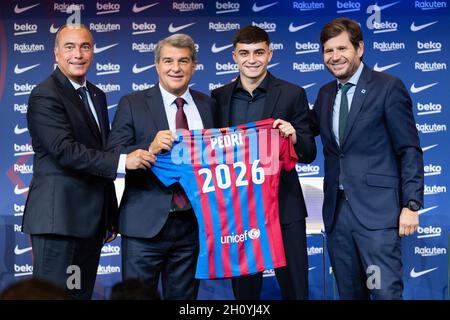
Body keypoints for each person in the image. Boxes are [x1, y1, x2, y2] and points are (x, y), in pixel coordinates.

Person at [22, 24, 154, 300]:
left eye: (85, 47)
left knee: (78, 295)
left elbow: (98, 152)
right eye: (69, 47)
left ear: (93, 52)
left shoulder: (96, 94)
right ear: (56, 53)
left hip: (91, 222)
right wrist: (123, 161)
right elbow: (65, 151)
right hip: (59, 220)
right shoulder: (45, 94)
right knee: (53, 296)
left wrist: (109, 214)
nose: (78, 54)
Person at [309, 17, 424, 299]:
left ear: (359, 49)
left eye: (341, 49)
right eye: (328, 51)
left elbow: (409, 149)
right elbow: (308, 132)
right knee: (350, 295)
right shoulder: (325, 94)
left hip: (377, 216)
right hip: (337, 217)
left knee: (383, 293)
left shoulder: (387, 87)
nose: (334, 57)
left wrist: (411, 204)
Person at [107, 34, 215, 300]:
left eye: (183, 61)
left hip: (193, 226)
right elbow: (113, 154)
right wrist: (149, 147)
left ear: (194, 65)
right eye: (168, 61)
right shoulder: (132, 103)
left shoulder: (209, 105)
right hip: (144, 228)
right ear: (157, 66)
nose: (175, 68)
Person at [211, 26, 317, 300]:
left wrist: (294, 137)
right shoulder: (218, 98)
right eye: (244, 53)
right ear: (234, 56)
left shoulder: (293, 94)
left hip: (284, 205)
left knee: (295, 287)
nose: (252, 59)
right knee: (244, 292)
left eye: (259, 52)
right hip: (238, 210)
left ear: (270, 54)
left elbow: (309, 153)